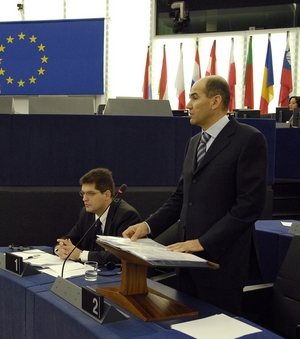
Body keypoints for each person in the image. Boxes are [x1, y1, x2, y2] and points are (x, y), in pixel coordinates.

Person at [123, 75, 268, 316]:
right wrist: (147, 226)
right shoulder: (193, 143)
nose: (187, 105)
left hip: (221, 265)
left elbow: (249, 206)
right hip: (186, 264)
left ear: (216, 101)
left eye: (194, 97)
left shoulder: (248, 139)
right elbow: (181, 198)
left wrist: (203, 243)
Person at [55, 168, 141, 266]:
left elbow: (122, 254)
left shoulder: (126, 215)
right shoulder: (86, 213)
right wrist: (60, 248)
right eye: (83, 193)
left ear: (107, 195)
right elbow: (70, 238)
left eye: (90, 194)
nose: (84, 199)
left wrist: (81, 255)